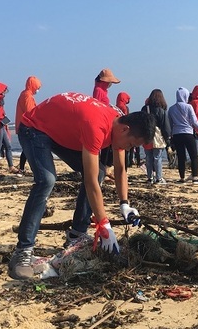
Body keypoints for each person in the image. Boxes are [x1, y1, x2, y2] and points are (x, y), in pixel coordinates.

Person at [9, 92, 156, 280]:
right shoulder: (97, 126)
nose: (128, 149)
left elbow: (120, 170)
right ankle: (22, 252)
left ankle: (76, 235)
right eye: (130, 145)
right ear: (125, 130)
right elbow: (90, 181)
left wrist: (124, 204)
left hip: (58, 131)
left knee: (101, 172)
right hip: (34, 128)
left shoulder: (118, 125)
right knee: (47, 180)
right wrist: (104, 224)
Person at [168, 87, 198, 185]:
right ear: (185, 96)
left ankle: (182, 178)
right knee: (193, 155)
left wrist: (171, 136)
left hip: (177, 134)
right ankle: (194, 176)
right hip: (188, 134)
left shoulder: (171, 109)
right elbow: (194, 121)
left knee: (181, 157)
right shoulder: (188, 107)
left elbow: (170, 123)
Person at [141, 89, 171, 184]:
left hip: (146, 136)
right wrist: (168, 139)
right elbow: (165, 127)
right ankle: (159, 178)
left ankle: (150, 178)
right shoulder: (161, 111)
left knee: (148, 157)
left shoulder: (145, 109)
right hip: (157, 137)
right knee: (157, 157)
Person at [15, 76, 42, 173]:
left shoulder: (25, 94)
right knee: (30, 149)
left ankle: (22, 168)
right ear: (33, 86)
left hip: (24, 125)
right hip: (27, 126)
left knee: (26, 149)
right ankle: (34, 170)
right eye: (38, 87)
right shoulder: (27, 96)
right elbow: (30, 112)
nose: (38, 90)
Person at [116, 92, 140, 168]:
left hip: (117, 130)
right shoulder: (125, 108)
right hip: (125, 130)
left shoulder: (115, 107)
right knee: (127, 150)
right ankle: (127, 164)